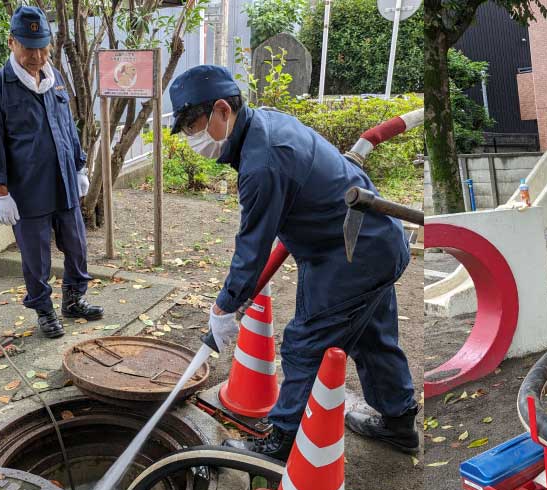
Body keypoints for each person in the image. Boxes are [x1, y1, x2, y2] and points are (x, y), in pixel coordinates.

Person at [168, 65, 419, 460]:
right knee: (372, 339)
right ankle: (399, 423)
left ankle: (280, 442)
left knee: (304, 344)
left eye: (191, 124)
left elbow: (251, 247)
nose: (190, 137)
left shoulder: (262, 163)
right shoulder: (265, 124)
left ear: (221, 110)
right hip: (374, 241)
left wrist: (224, 305)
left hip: (348, 256)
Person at [0, 6, 103, 338]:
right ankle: (44, 310)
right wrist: (0, 193)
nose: (37, 56)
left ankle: (74, 300)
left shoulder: (55, 78)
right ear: (11, 42)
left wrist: (79, 165)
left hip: (64, 181)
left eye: (42, 47)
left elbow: (68, 127)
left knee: (77, 247)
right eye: (28, 47)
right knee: (36, 258)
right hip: (27, 189)